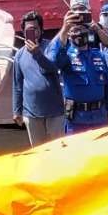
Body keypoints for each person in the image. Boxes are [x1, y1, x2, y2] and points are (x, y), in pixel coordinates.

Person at [48, 8, 108, 134]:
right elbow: (52, 61)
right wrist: (63, 30)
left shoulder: (99, 55)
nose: (78, 33)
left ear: (88, 32)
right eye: (74, 30)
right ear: (69, 35)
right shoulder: (65, 56)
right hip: (76, 121)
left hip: (99, 118)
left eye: (81, 29)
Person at [12, 10, 67, 146]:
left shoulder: (50, 47)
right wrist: (16, 110)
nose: (33, 32)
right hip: (32, 114)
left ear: (42, 30)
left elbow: (53, 68)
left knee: (58, 151)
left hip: (55, 112)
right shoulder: (19, 55)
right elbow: (17, 85)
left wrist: (38, 54)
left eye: (35, 29)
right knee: (38, 152)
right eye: (28, 30)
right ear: (23, 32)